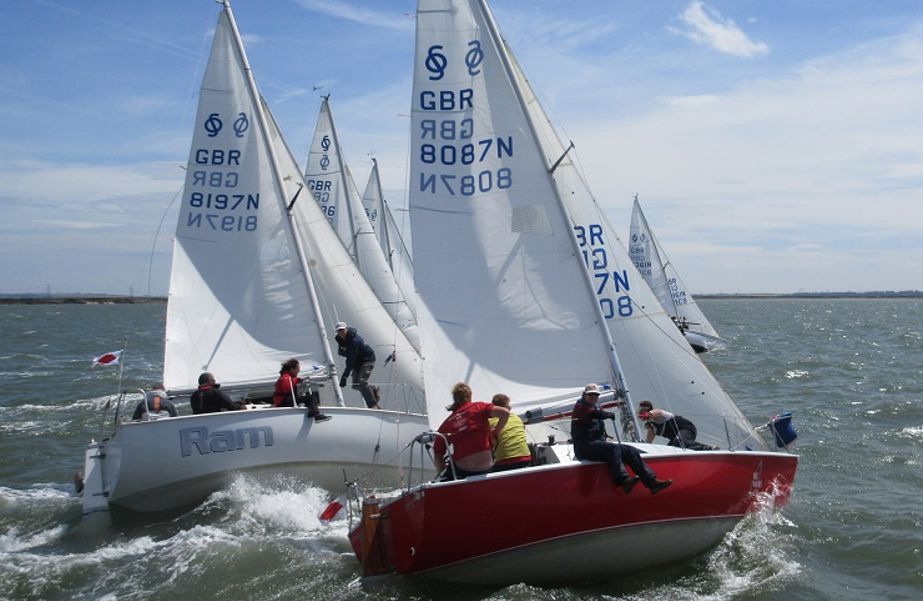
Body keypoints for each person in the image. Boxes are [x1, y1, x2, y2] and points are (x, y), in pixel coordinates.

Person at [571, 383, 672, 495]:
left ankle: (652, 482)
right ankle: (624, 480)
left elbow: (597, 413)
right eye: (591, 395)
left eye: (596, 395)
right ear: (584, 395)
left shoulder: (595, 407)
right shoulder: (580, 407)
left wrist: (606, 414)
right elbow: (595, 413)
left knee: (630, 450)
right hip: (584, 447)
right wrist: (607, 414)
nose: (594, 397)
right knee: (613, 449)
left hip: (596, 445)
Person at [433, 383, 510, 480]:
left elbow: (437, 454)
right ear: (470, 396)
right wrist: (496, 431)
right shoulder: (479, 407)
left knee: (447, 472)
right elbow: (505, 413)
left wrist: (441, 470)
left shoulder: (447, 423)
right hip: (486, 467)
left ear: (455, 398)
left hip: (464, 471)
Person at [334, 321, 380, 409]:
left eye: (342, 330)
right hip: (357, 362)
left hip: (367, 359)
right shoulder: (339, 339)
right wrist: (347, 352)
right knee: (355, 385)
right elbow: (340, 352)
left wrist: (344, 376)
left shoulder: (354, 340)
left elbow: (351, 359)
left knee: (362, 382)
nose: (341, 333)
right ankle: (373, 388)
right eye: (338, 331)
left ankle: (373, 405)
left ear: (346, 329)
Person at [638, 400, 715, 450]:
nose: (639, 412)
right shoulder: (651, 427)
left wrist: (647, 415)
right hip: (677, 437)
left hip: (688, 429)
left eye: (641, 410)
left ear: (647, 409)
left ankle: (707, 448)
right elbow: (648, 442)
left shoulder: (657, 414)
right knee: (668, 450)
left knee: (679, 442)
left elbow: (657, 412)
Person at [488, 393, 532, 472]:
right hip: (525, 458)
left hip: (504, 462)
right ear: (508, 407)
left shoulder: (489, 421)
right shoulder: (517, 417)